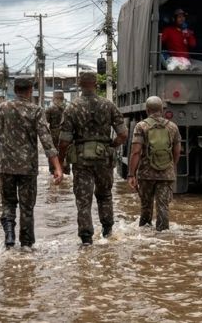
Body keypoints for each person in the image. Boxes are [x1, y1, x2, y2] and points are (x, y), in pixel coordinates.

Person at [0, 77, 62, 249]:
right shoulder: (35, 110)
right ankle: (26, 244)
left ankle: (9, 236)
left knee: (8, 203)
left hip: (6, 165)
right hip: (27, 167)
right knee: (27, 207)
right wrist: (57, 167)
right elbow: (46, 141)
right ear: (30, 91)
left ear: (15, 90)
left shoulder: (0, 109)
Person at [59, 72, 127, 246]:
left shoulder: (72, 107)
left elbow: (65, 140)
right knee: (105, 195)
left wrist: (61, 161)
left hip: (81, 161)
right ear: (96, 84)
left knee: (83, 201)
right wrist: (111, 146)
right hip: (104, 158)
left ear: (79, 84)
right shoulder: (108, 105)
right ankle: (108, 231)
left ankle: (86, 239)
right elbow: (123, 134)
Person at [127, 96, 182, 231]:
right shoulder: (172, 127)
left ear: (147, 110)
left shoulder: (141, 126)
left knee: (146, 206)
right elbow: (177, 151)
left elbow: (136, 152)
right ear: (162, 110)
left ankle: (145, 235)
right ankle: (163, 235)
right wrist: (171, 166)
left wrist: (131, 174)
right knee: (163, 206)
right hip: (165, 174)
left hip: (146, 174)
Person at [45, 90, 68, 175]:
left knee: (53, 152)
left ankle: (53, 171)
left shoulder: (50, 109)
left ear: (53, 98)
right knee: (65, 152)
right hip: (65, 133)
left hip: (54, 133)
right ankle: (65, 170)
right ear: (63, 98)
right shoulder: (67, 108)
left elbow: (47, 121)